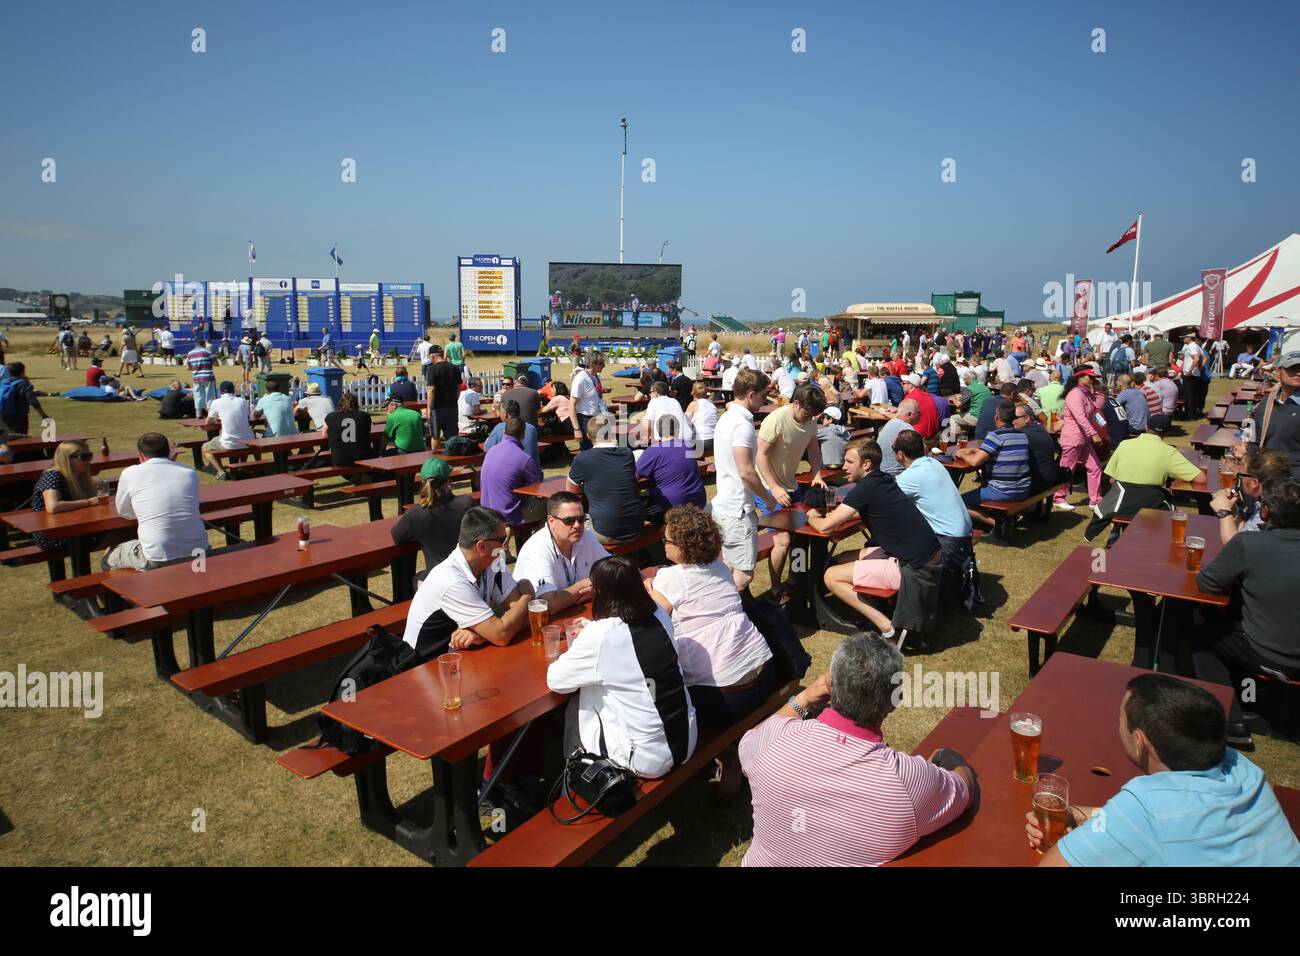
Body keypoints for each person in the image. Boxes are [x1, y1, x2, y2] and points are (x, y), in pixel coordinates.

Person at [740, 631, 973, 866]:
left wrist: (805, 698)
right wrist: (945, 756)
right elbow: (964, 788)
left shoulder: (772, 740)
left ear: (829, 683)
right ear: (895, 700)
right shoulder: (908, 781)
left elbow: (749, 741)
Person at [1027, 673, 1300, 866]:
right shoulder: (1243, 769)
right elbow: (1162, 823)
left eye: (1120, 719)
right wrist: (1079, 814)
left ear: (1140, 742)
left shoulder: (1145, 805)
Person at [547, 555, 698, 780]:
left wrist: (586, 639)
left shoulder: (600, 636)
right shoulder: (657, 613)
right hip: (686, 737)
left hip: (646, 758)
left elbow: (557, 681)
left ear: (599, 593)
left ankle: (575, 776)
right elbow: (623, 643)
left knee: (581, 697)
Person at [1194, 478, 1300, 745]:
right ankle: (1250, 698)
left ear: (1265, 511)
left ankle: (1230, 721)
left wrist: (1225, 514)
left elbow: (1207, 583)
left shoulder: (1249, 544)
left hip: (1267, 653)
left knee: (1201, 637)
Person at [809, 439, 942, 643]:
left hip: (912, 568)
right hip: (927, 555)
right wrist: (842, 514)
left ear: (866, 464)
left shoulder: (865, 489)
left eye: (849, 462)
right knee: (843, 557)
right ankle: (869, 602)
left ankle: (888, 628)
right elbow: (868, 510)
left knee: (831, 575)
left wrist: (811, 516)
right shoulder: (883, 480)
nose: (843, 467)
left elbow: (825, 527)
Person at [402, 506, 534, 659]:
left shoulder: (493, 562)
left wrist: (481, 635)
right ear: (481, 546)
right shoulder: (452, 581)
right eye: (502, 539)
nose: (505, 546)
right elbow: (501, 634)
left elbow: (525, 615)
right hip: (422, 667)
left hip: (459, 659)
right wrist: (528, 595)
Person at [757, 383, 829, 601]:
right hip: (768, 489)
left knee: (801, 539)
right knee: (784, 541)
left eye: (813, 415)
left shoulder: (811, 421)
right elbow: (760, 456)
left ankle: (794, 579)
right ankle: (776, 588)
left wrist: (817, 473)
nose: (809, 418)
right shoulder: (776, 419)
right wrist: (774, 487)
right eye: (807, 413)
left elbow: (814, 450)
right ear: (795, 403)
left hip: (792, 486)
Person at [101, 433, 208, 571]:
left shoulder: (130, 473)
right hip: (199, 550)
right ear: (168, 452)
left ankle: (125, 591)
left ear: (140, 455)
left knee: (107, 560)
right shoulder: (189, 472)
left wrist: (146, 513)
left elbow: (123, 511)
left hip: (157, 555)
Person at [710, 369, 776, 589]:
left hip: (726, 506)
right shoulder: (742, 425)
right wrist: (768, 499)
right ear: (751, 394)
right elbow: (746, 472)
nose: (765, 399)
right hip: (737, 511)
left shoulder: (727, 418)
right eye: (763, 394)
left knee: (727, 567)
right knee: (743, 576)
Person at [892, 429, 974, 587]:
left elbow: (883, 501)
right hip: (963, 537)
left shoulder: (911, 476)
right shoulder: (934, 463)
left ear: (900, 454)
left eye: (893, 449)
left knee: (897, 541)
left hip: (948, 542)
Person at [512, 491, 609, 612]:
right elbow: (549, 604)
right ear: (551, 521)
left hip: (575, 614)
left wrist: (595, 588)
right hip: (540, 623)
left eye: (581, 519)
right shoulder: (536, 549)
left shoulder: (586, 536)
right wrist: (584, 585)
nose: (577, 525)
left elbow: (612, 569)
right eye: (569, 521)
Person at [390, 457, 475, 576]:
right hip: (470, 575)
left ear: (422, 482)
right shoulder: (467, 503)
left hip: (439, 580)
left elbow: (397, 536)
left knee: (417, 579)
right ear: (448, 481)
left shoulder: (414, 515)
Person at [567, 415, 643, 542]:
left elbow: (570, 491)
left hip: (606, 531)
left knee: (567, 524)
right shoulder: (627, 454)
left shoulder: (583, 458)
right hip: (636, 527)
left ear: (588, 435)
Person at [953, 400, 1033, 520]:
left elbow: (975, 462)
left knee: (958, 502)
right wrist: (978, 451)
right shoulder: (1022, 435)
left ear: (997, 417)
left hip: (1003, 491)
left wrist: (961, 453)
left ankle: (995, 525)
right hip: (1023, 488)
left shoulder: (996, 436)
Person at [1233, 349, 1300, 479]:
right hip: (1267, 480)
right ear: (1279, 372)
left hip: (1294, 484)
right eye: (1292, 368)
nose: (1298, 373)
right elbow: (1254, 435)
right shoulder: (1268, 402)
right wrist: (1246, 456)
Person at [29, 441, 103, 552]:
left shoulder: (78, 475)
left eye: (90, 456)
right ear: (67, 459)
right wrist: (88, 502)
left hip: (72, 528)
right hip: (53, 536)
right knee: (120, 533)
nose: (89, 460)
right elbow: (53, 506)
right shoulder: (53, 475)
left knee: (121, 530)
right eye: (84, 457)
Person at [1052, 365, 1107, 510]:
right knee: (1067, 469)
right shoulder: (1076, 394)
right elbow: (1080, 417)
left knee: (1095, 468)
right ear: (1080, 377)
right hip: (1074, 438)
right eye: (1090, 377)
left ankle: (1095, 500)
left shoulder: (1085, 393)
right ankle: (1058, 497)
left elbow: (1097, 407)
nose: (1093, 379)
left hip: (1083, 438)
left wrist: (1099, 390)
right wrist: (1094, 434)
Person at [1208, 448, 1290, 544]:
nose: (1240, 478)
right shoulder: (1264, 501)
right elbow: (1244, 533)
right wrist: (1233, 508)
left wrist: (1224, 512)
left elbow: (1235, 548)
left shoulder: (1270, 511)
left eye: (1242, 474)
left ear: (1254, 483)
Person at [480, 416, 543, 537]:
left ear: (504, 432)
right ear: (523, 435)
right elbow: (536, 490)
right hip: (510, 513)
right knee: (554, 506)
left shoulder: (491, 451)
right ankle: (537, 541)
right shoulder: (524, 459)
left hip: (487, 509)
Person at [636, 416, 707, 514]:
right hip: (699, 502)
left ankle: (666, 528)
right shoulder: (688, 446)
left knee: (637, 512)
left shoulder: (654, 450)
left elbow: (634, 475)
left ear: (658, 432)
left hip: (672, 507)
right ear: (677, 430)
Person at [202, 381, 255, 479]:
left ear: (221, 391)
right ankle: (242, 467)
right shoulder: (242, 401)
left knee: (205, 447)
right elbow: (246, 418)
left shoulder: (216, 402)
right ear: (233, 390)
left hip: (229, 442)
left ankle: (221, 471)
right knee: (241, 437)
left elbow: (208, 422)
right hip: (248, 442)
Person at [484, 399, 540, 469]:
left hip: (515, 474)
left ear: (505, 415)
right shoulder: (531, 428)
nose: (499, 415)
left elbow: (487, 448)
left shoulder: (500, 427)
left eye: (500, 412)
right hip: (535, 473)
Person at [323, 391, 373, 468]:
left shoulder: (331, 416)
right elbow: (367, 432)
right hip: (363, 457)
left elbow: (324, 435)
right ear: (356, 403)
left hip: (339, 459)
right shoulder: (364, 416)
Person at [424, 344, 461, 450]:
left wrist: (429, 408)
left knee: (435, 435)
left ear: (433, 356)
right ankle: (453, 457)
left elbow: (431, 389)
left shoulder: (432, 369)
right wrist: (455, 400)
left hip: (437, 407)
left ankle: (436, 459)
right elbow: (458, 387)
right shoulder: (454, 367)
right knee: (452, 436)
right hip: (452, 406)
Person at [569, 351, 606, 450]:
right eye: (601, 363)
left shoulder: (595, 376)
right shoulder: (581, 378)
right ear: (591, 364)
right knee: (589, 451)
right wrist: (576, 429)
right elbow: (571, 405)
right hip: (585, 421)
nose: (604, 366)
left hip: (597, 418)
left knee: (598, 451)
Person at [0, 363, 48, 437]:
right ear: (22, 372)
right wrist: (43, 415)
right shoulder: (23, 384)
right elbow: (32, 401)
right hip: (19, 416)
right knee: (20, 438)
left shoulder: (4, 382)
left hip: (3, 414)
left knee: (7, 437)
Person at [640, 380, 694, 446]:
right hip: (687, 439)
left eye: (650, 392)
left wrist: (645, 441)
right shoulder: (675, 401)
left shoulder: (654, 401)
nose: (649, 394)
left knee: (644, 420)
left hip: (669, 441)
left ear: (656, 392)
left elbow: (647, 426)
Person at [877, 399, 919, 477]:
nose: (920, 415)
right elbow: (921, 451)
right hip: (897, 475)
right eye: (918, 413)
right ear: (910, 414)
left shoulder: (890, 423)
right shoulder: (906, 428)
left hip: (882, 473)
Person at [184, 339, 217, 416]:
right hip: (208, 376)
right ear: (204, 345)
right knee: (210, 395)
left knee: (198, 395)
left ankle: (198, 414)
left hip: (196, 377)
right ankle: (210, 414)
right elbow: (216, 364)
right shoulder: (208, 352)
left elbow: (188, 368)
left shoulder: (190, 353)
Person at [685, 380, 717, 454]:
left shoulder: (693, 404)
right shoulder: (712, 405)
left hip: (700, 442)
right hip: (713, 441)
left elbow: (685, 422)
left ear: (693, 394)